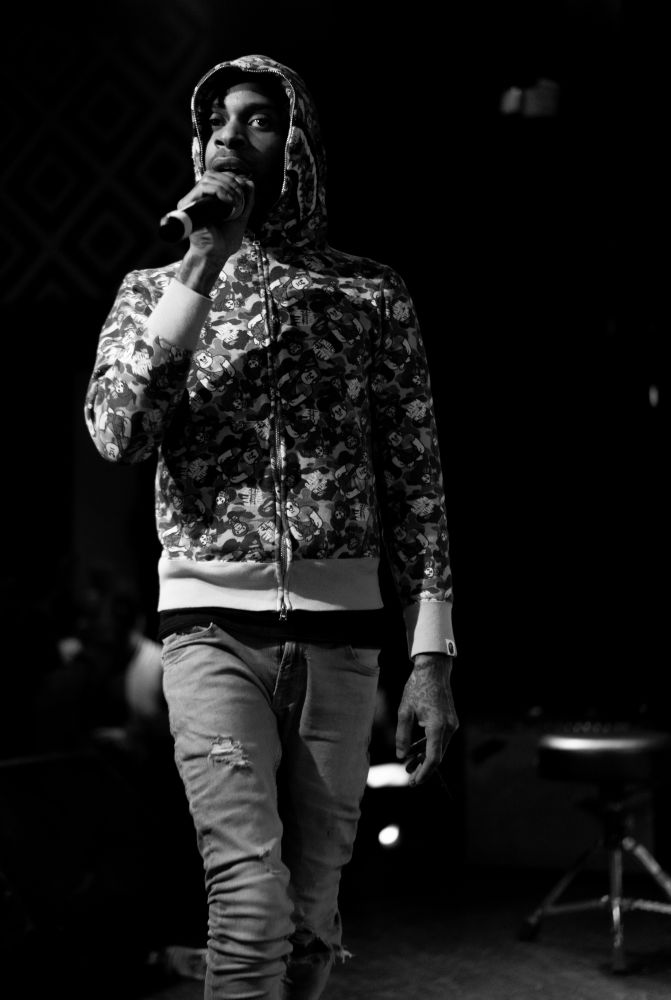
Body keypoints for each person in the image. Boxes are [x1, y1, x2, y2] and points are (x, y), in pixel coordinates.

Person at [84, 53, 459, 1000]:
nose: (228, 136)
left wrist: (430, 659)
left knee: (310, 920)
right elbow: (120, 435)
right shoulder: (152, 292)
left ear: (298, 146)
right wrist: (199, 268)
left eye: (256, 119)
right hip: (208, 631)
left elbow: (417, 480)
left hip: (342, 639)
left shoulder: (370, 295)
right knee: (248, 904)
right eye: (214, 120)